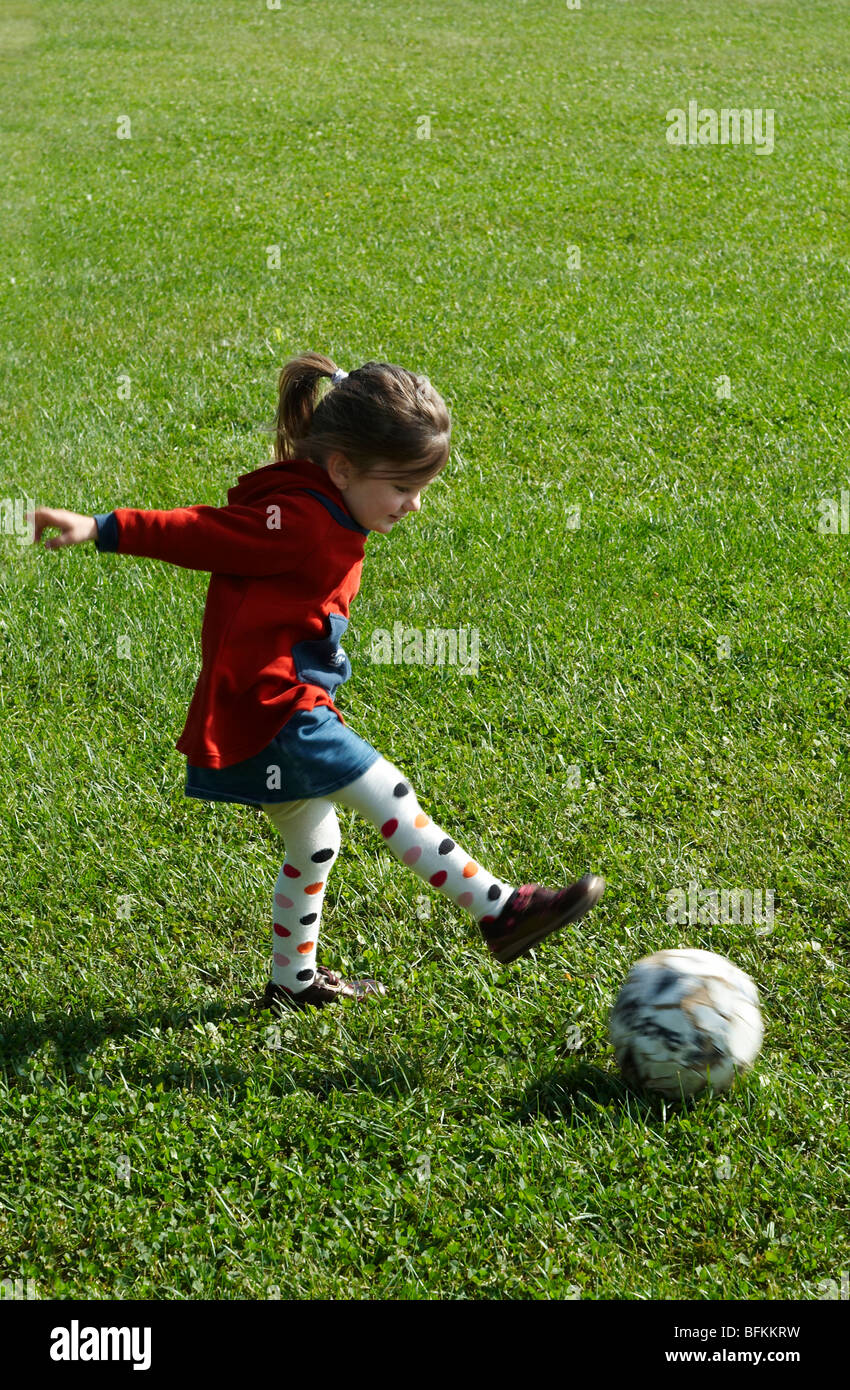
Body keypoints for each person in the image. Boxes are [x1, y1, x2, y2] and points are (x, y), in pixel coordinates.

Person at [27, 352, 604, 1014]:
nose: (413, 505)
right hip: (274, 708)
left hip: (280, 705)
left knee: (315, 839)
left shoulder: (329, 506)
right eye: (402, 487)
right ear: (342, 469)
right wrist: (101, 528)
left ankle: (291, 983)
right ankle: (500, 910)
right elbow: (205, 533)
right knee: (384, 789)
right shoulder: (301, 522)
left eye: (424, 488)